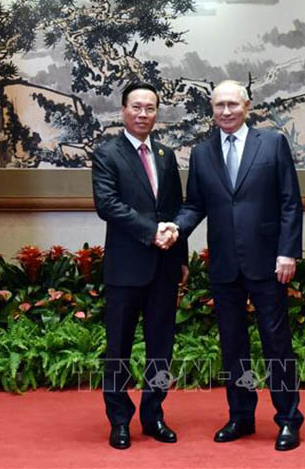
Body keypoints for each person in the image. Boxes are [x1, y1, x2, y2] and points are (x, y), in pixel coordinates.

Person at [161, 79, 304, 451]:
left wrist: (288, 252)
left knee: (276, 344)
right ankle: (241, 416)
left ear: (247, 106)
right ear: (212, 109)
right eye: (219, 105)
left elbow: (290, 202)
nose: (226, 111)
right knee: (233, 345)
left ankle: (288, 419)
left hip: (269, 261)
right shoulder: (202, 153)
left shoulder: (272, 143)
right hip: (225, 264)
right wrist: (176, 228)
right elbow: (195, 205)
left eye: (232, 104)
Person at [92, 82, 188, 450]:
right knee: (118, 347)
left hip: (165, 266)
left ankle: (153, 415)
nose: (143, 114)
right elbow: (108, 205)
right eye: (136, 107)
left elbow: (175, 208)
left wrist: (181, 256)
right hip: (126, 268)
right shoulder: (107, 153)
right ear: (123, 111)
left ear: (156, 113)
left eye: (150, 108)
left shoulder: (165, 154)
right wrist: (151, 233)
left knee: (161, 347)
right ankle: (119, 420)